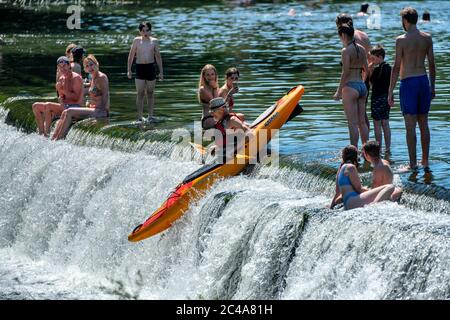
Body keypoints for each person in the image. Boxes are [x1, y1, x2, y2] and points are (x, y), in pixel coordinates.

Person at [388, 7, 435, 172]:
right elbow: (431, 64)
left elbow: (396, 67)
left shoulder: (401, 40)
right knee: (424, 123)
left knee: (410, 126)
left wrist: (390, 91)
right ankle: (426, 161)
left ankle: (413, 164)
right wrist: (433, 86)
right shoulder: (427, 38)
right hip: (423, 81)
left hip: (408, 83)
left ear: (405, 20)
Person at [52, 55, 109, 140]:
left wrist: (103, 110)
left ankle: (59, 139)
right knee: (64, 112)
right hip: (94, 109)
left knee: (69, 111)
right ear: (85, 69)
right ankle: (53, 138)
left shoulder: (102, 77)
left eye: (91, 64)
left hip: (101, 111)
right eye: (87, 66)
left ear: (97, 64)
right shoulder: (93, 78)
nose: (90, 67)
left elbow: (105, 94)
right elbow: (93, 91)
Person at [334, 23, 369, 149]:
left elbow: (346, 72)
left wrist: (338, 91)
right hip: (361, 86)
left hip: (350, 87)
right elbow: (366, 69)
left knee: (352, 124)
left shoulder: (345, 50)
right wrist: (362, 82)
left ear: (343, 35)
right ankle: (366, 151)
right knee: (362, 122)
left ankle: (353, 152)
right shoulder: (362, 48)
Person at [330, 145, 395, 210]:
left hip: (348, 202)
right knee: (390, 187)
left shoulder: (341, 169)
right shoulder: (350, 167)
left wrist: (331, 207)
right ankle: (374, 207)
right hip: (353, 201)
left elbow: (337, 193)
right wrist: (374, 191)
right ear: (355, 156)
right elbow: (359, 189)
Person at [32, 56, 83, 137]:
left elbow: (76, 98)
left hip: (75, 108)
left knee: (48, 105)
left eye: (64, 66)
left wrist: (63, 90)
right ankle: (41, 133)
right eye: (60, 67)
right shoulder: (61, 78)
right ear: (58, 67)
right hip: (65, 106)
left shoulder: (75, 77)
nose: (63, 69)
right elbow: (62, 97)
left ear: (69, 65)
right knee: (35, 106)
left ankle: (47, 134)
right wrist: (60, 93)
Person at [127, 21, 163, 123]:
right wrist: (129, 70)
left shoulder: (154, 41)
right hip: (139, 67)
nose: (145, 32)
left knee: (150, 93)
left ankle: (150, 116)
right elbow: (130, 56)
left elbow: (158, 57)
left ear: (150, 31)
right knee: (140, 93)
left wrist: (161, 72)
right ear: (140, 32)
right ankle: (139, 116)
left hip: (150, 67)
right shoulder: (136, 41)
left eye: (147, 30)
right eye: (143, 30)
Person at [209, 97, 251, 163]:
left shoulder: (232, 120)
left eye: (213, 112)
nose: (212, 114)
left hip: (239, 148)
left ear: (221, 109)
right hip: (230, 147)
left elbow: (249, 134)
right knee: (212, 148)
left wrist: (234, 150)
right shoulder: (222, 122)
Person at [368, 45, 392, 152]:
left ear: (379, 57)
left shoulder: (377, 70)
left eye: (373, 58)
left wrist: (370, 71)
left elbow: (372, 84)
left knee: (377, 124)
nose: (372, 61)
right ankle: (388, 148)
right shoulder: (389, 68)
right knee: (386, 124)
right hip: (386, 98)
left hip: (377, 99)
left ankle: (379, 149)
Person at [198, 64, 220, 130]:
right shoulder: (202, 89)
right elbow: (215, 105)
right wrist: (215, 88)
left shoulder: (215, 88)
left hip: (216, 118)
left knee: (240, 117)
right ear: (204, 76)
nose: (210, 77)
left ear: (215, 75)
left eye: (212, 74)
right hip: (208, 119)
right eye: (208, 75)